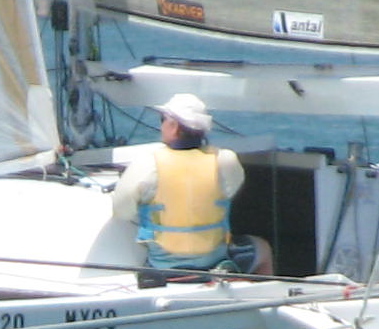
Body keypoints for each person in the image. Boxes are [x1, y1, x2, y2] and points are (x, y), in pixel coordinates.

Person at [108, 93, 269, 274]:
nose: (161, 126)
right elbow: (231, 189)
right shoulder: (225, 160)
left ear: (174, 126)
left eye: (163, 120)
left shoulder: (147, 164)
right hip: (214, 264)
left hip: (164, 268)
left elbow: (121, 211)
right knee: (263, 249)